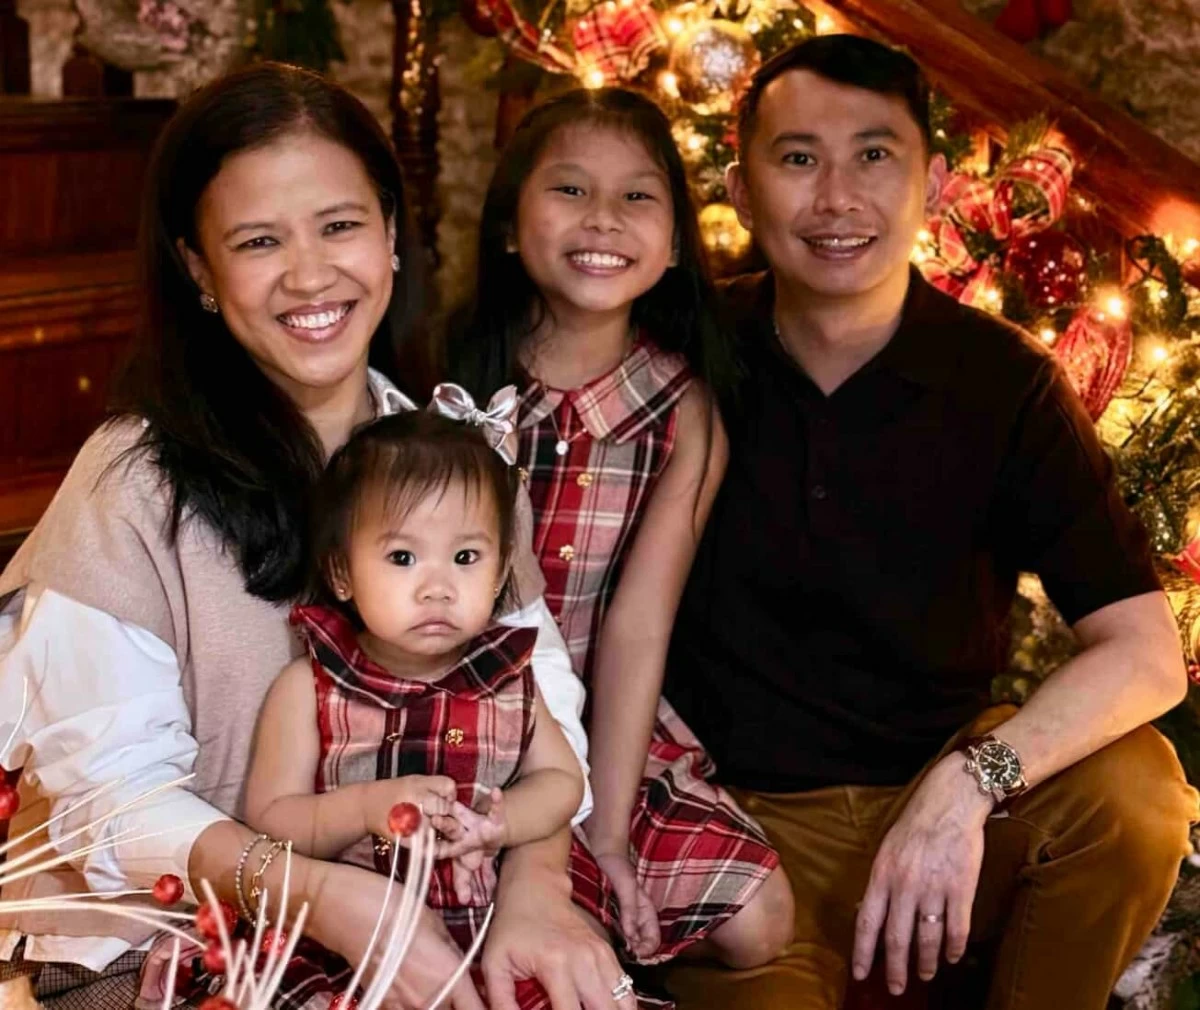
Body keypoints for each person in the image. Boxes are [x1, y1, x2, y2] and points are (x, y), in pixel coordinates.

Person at [0, 63, 632, 1010]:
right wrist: (327, 901)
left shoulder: (449, 459)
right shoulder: (133, 481)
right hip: (171, 934)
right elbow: (113, 807)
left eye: (339, 226)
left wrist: (536, 885)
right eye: (259, 241)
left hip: (435, 895)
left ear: (391, 236)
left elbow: (536, 698)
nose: (309, 274)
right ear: (198, 269)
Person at [659, 34, 1200, 1009]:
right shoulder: (676, 354)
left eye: (875, 155)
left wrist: (971, 783)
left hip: (943, 803)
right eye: (798, 158)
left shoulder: (1006, 382)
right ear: (740, 189)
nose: (837, 198)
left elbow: (1147, 653)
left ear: (934, 184)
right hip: (731, 843)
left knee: (1137, 796)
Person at [447, 87, 793, 975]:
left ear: (674, 243)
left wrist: (605, 831)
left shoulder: (684, 409)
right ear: (509, 225)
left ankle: (587, 898)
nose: (603, 217)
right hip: (447, 711)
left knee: (760, 922)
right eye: (570, 189)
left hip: (598, 721)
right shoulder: (452, 380)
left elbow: (639, 627)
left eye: (637, 196)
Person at [242, 403, 585, 1008]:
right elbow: (271, 820)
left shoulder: (509, 679)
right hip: (351, 944)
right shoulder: (312, 687)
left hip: (489, 927)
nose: (438, 588)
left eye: (466, 558)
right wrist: (365, 806)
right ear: (342, 572)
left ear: (501, 570)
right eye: (402, 558)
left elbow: (563, 782)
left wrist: (504, 822)